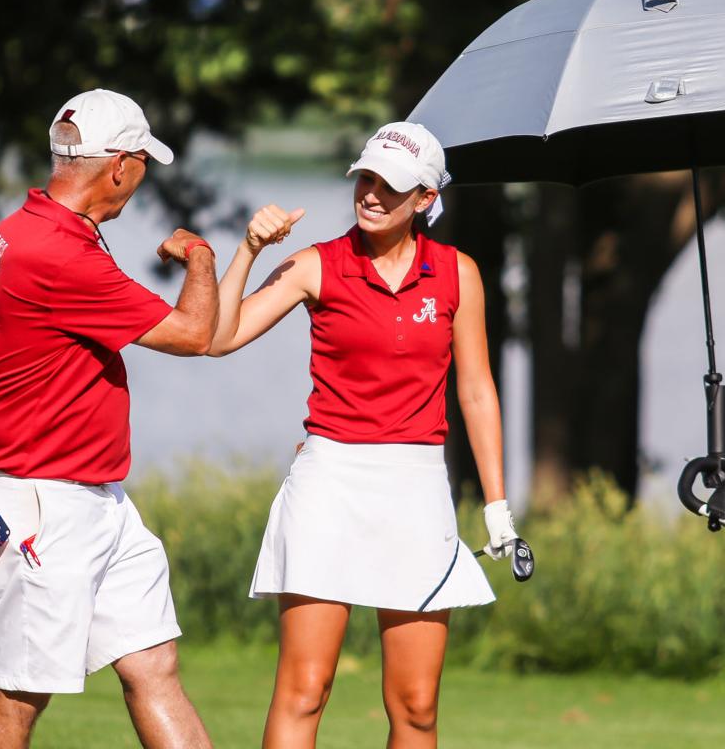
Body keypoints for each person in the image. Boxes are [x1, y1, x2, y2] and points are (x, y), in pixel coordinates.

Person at [207, 121, 524, 748]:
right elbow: (218, 339)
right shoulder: (313, 264)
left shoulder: (458, 274)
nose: (372, 194)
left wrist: (497, 508)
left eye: (391, 185)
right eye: (367, 179)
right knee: (305, 689)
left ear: (426, 199)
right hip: (330, 481)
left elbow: (477, 391)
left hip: (415, 487)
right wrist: (248, 249)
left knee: (417, 705)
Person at [0, 89, 229, 749]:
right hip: (43, 505)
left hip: (97, 500)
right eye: (142, 163)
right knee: (20, 691)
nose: (143, 175)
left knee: (154, 665)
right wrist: (202, 262)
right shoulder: (63, 254)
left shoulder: (10, 234)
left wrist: (5, 412)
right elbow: (194, 334)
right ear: (120, 166)